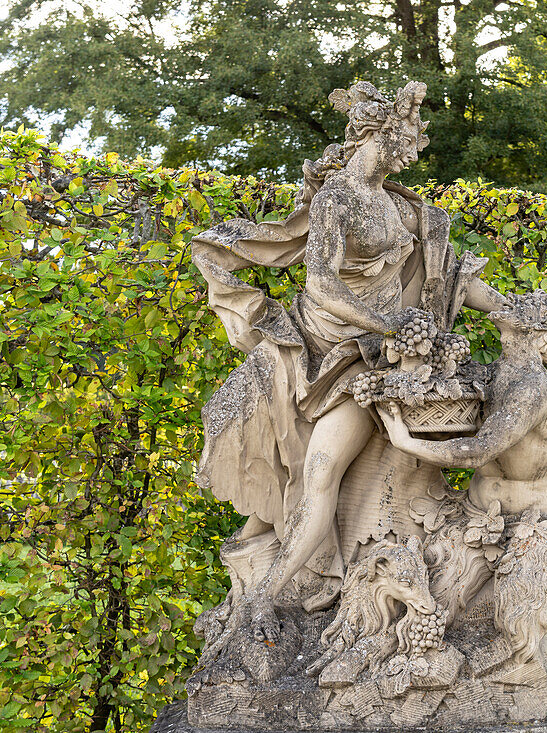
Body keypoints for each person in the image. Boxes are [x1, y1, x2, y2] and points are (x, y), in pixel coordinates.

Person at [190, 81, 506, 650]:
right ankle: (264, 593)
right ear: (377, 137)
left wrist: (508, 310)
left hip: (369, 361)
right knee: (300, 473)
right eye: (402, 143)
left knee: (320, 477)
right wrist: (392, 325)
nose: (407, 155)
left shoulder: (395, 202)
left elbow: (451, 272)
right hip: (324, 348)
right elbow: (320, 283)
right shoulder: (338, 198)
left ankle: (275, 592)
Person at [379, 291, 547, 667]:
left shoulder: (532, 389)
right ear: (533, 336)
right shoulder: (498, 374)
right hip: (476, 519)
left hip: (534, 525)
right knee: (431, 602)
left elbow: (478, 452)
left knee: (518, 625)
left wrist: (404, 441)